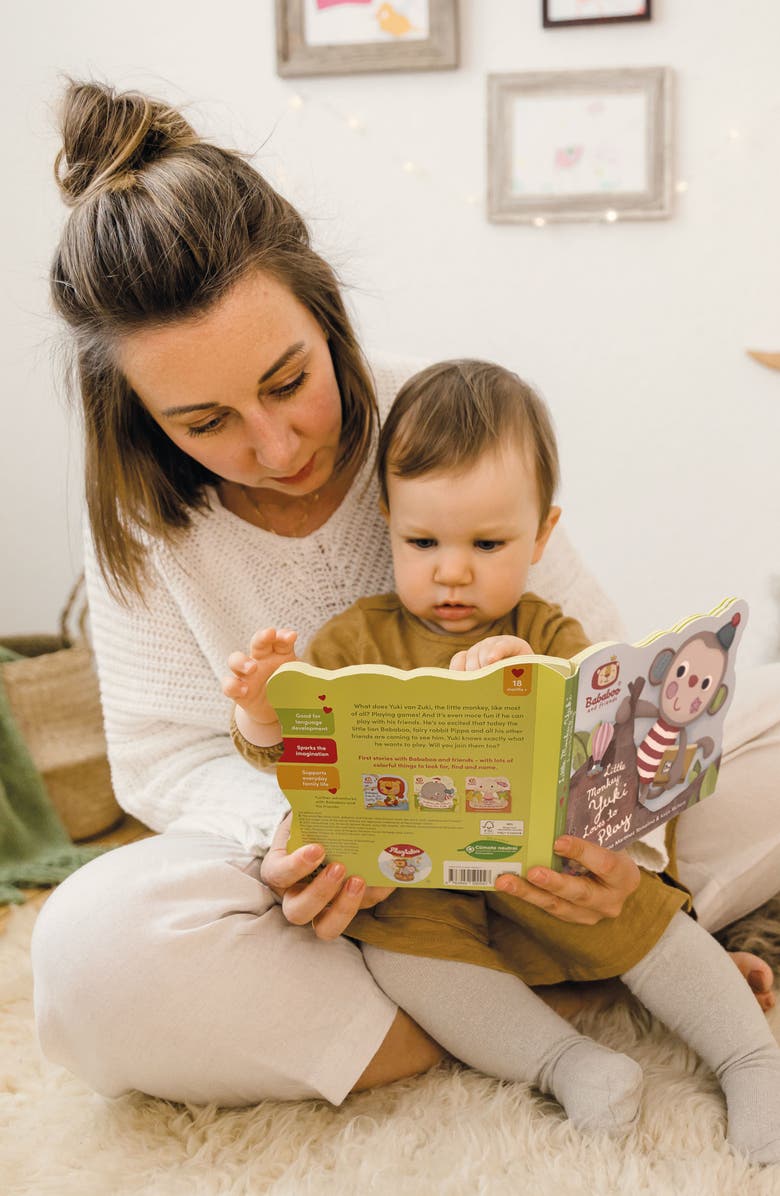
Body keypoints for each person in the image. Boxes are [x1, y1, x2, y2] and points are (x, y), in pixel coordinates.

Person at [30, 80, 780, 1117]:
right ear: (142, 416)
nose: (275, 445)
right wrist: (301, 830)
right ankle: (520, 1009)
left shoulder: (444, 419)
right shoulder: (144, 519)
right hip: (352, 900)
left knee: (759, 718)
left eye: (289, 381)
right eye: (205, 420)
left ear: (323, 306)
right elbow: (163, 757)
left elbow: (606, 682)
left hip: (534, 856)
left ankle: (570, 957)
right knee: (90, 953)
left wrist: (622, 851)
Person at [225, 360, 780, 1162]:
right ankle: (567, 1064)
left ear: (541, 536)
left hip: (540, 865)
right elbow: (297, 753)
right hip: (412, 879)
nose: (453, 570)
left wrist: (533, 676)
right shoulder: (353, 641)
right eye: (423, 541)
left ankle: (750, 1058)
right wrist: (263, 705)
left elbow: (603, 736)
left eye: (488, 543)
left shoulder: (550, 630)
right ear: (386, 521)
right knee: (400, 956)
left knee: (638, 904)